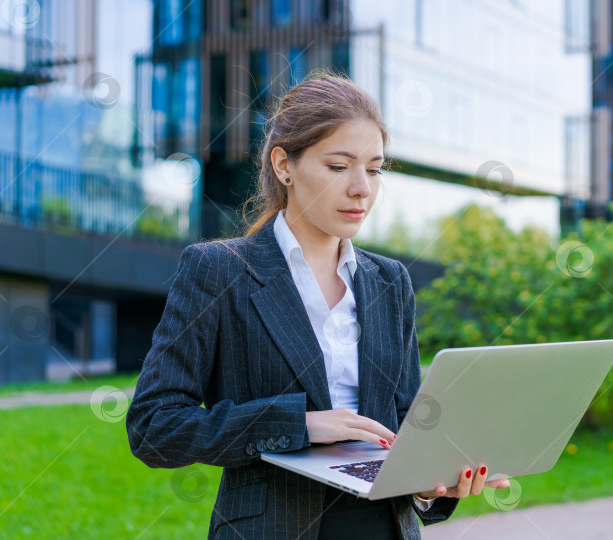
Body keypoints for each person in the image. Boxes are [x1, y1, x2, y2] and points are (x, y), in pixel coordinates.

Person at [125, 70, 510, 539]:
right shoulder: (218, 270)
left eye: (373, 168)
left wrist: (433, 485)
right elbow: (154, 427)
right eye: (338, 166)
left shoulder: (390, 281)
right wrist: (299, 425)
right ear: (284, 164)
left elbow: (407, 428)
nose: (362, 189)